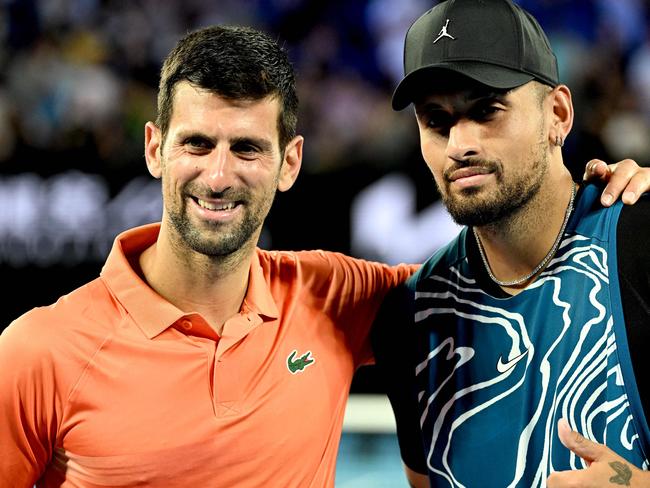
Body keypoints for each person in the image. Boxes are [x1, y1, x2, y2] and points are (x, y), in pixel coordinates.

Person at [0, 20, 646, 488]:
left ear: (290, 162)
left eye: (248, 149)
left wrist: (624, 201)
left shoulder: (343, 297)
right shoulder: (38, 351)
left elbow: (516, 267)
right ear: (153, 148)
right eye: (197, 144)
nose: (220, 176)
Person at [371, 1, 650, 487]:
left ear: (557, 114)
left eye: (486, 110)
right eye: (436, 121)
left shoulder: (641, 243)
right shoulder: (410, 314)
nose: (459, 143)